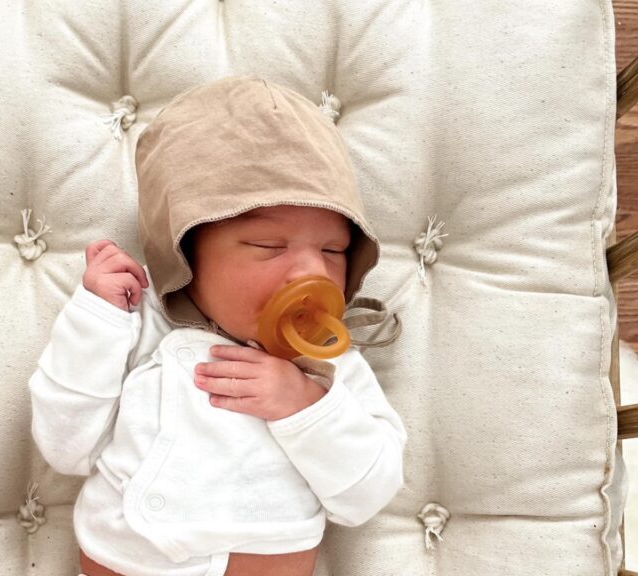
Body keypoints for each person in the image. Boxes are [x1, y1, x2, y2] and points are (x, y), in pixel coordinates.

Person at [28, 75, 406, 576]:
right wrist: (96, 321)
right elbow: (64, 448)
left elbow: (366, 495)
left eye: (333, 251)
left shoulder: (325, 363)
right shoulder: (138, 328)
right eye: (269, 247)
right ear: (185, 253)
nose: (312, 273)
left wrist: (304, 405)